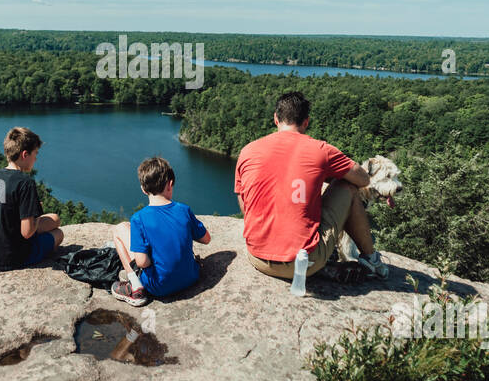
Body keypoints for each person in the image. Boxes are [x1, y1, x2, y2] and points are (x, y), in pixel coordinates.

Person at [234, 91, 386, 281]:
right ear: (306, 121)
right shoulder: (321, 150)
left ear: (276, 118)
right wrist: (327, 175)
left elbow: (244, 201)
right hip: (304, 263)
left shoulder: (248, 150)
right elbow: (363, 179)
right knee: (348, 186)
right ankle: (371, 259)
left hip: (256, 257)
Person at [110, 156, 211, 306]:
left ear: (143, 189)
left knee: (119, 230)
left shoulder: (139, 218)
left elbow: (142, 262)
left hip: (159, 287)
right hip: (191, 277)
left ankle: (136, 287)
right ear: (170, 184)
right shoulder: (183, 210)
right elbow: (206, 239)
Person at [0, 126, 64, 269]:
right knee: (58, 233)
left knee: (54, 218)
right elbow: (27, 233)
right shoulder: (25, 182)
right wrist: (36, 214)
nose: (36, 158)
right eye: (35, 154)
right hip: (11, 257)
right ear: (25, 154)